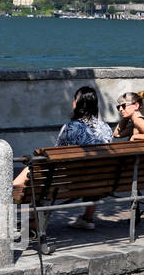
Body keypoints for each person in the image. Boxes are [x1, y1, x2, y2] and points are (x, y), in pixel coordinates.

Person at [10, 86, 113, 231]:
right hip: (98, 181)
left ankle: (30, 218)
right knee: (95, 172)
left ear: (76, 102)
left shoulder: (70, 127)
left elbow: (55, 154)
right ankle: (87, 218)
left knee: (35, 171)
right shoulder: (106, 128)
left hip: (71, 181)